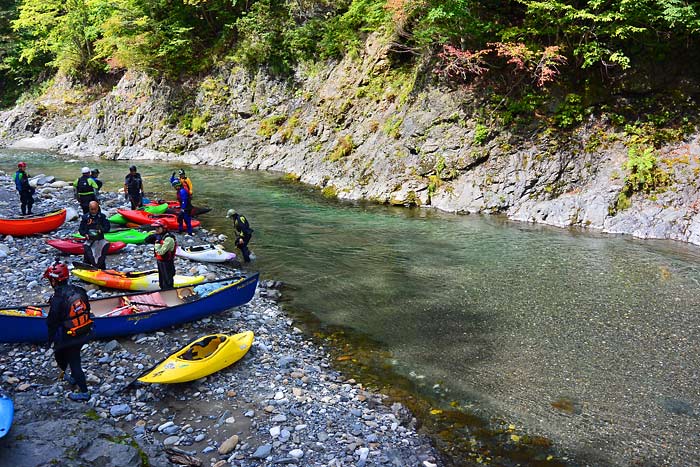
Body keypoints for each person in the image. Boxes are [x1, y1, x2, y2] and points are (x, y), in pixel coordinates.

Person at [44, 261, 94, 402]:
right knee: (64, 355)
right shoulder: (79, 290)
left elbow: (52, 321)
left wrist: (50, 340)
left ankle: (84, 392)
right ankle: (72, 377)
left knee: (72, 361)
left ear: (54, 281)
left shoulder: (58, 299)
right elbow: (88, 309)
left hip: (71, 336)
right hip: (85, 331)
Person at [78, 201, 111, 269]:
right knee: (87, 257)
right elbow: (81, 229)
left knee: (100, 258)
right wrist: (85, 234)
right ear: (89, 208)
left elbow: (107, 227)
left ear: (97, 208)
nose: (93, 211)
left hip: (99, 241)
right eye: (92, 209)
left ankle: (102, 271)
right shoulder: (85, 217)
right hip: (89, 241)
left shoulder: (102, 217)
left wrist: (101, 230)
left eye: (95, 209)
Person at [145, 220, 177, 290]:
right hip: (160, 261)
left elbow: (161, 252)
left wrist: (157, 242)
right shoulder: (160, 236)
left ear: (164, 228)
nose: (156, 230)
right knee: (162, 281)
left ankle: (169, 293)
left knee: (168, 282)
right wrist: (152, 236)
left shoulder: (169, 239)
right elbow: (146, 240)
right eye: (155, 228)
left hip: (167, 262)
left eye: (158, 228)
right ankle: (162, 290)